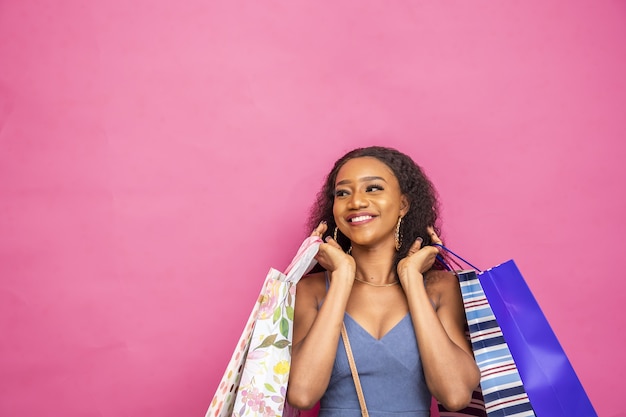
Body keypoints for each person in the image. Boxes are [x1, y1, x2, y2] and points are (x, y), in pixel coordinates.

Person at [286, 146, 480, 416]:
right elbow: (301, 394)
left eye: (372, 188)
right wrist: (342, 278)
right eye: (342, 192)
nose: (355, 201)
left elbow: (455, 394)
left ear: (403, 204)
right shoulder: (312, 290)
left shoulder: (440, 288)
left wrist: (412, 280)